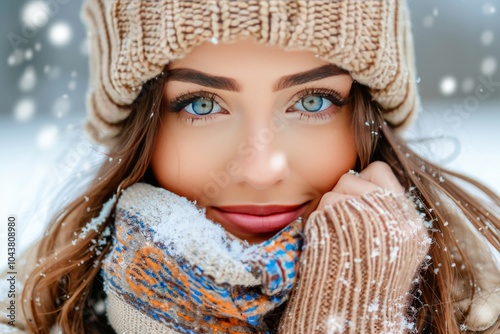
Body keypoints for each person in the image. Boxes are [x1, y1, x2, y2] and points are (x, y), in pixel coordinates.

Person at [1, 1, 499, 333]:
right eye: (199, 105)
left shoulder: (482, 311)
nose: (260, 170)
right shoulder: (25, 309)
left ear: (370, 114)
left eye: (312, 102)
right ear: (140, 128)